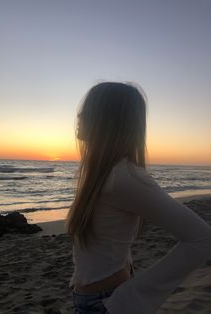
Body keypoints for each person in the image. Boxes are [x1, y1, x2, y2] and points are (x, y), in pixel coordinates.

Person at [64, 81, 211, 314]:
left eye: (89, 109)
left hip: (106, 304)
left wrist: (135, 294)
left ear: (108, 119)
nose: (79, 115)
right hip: (91, 300)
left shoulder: (121, 176)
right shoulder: (102, 172)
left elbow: (202, 239)